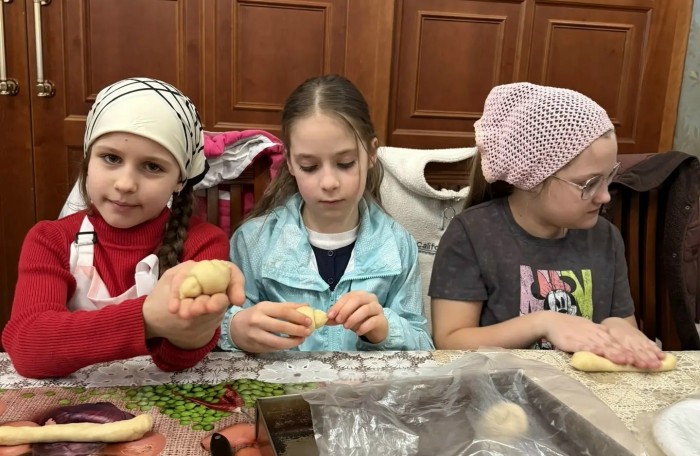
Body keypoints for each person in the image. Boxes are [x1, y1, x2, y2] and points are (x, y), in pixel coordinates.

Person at [2, 77, 245, 378]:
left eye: (152, 166)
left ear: (179, 181)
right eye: (111, 158)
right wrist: (147, 318)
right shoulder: (49, 240)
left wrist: (194, 326)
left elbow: (178, 362)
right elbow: (30, 348)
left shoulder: (203, 242)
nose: (126, 184)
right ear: (88, 160)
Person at [429, 82, 664, 369]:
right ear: (532, 179)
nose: (605, 196)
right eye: (589, 183)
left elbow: (621, 322)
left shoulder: (606, 237)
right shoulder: (472, 235)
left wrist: (619, 328)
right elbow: (450, 341)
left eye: (609, 176)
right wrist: (543, 322)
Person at [219, 74, 433, 352]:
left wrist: (385, 329)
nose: (329, 183)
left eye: (345, 163)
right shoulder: (253, 241)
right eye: (309, 167)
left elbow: (424, 347)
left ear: (371, 154)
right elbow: (216, 333)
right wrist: (236, 331)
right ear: (290, 162)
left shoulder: (398, 245)